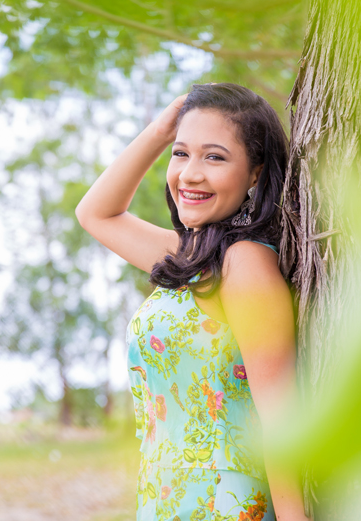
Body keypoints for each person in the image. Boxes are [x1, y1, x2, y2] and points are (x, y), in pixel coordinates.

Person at [76, 83, 308, 521]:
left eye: (214, 156)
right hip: (165, 503)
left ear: (255, 173)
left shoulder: (246, 267)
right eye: (181, 154)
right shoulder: (192, 260)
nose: (189, 174)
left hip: (226, 504)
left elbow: (280, 419)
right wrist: (161, 130)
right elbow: (95, 214)